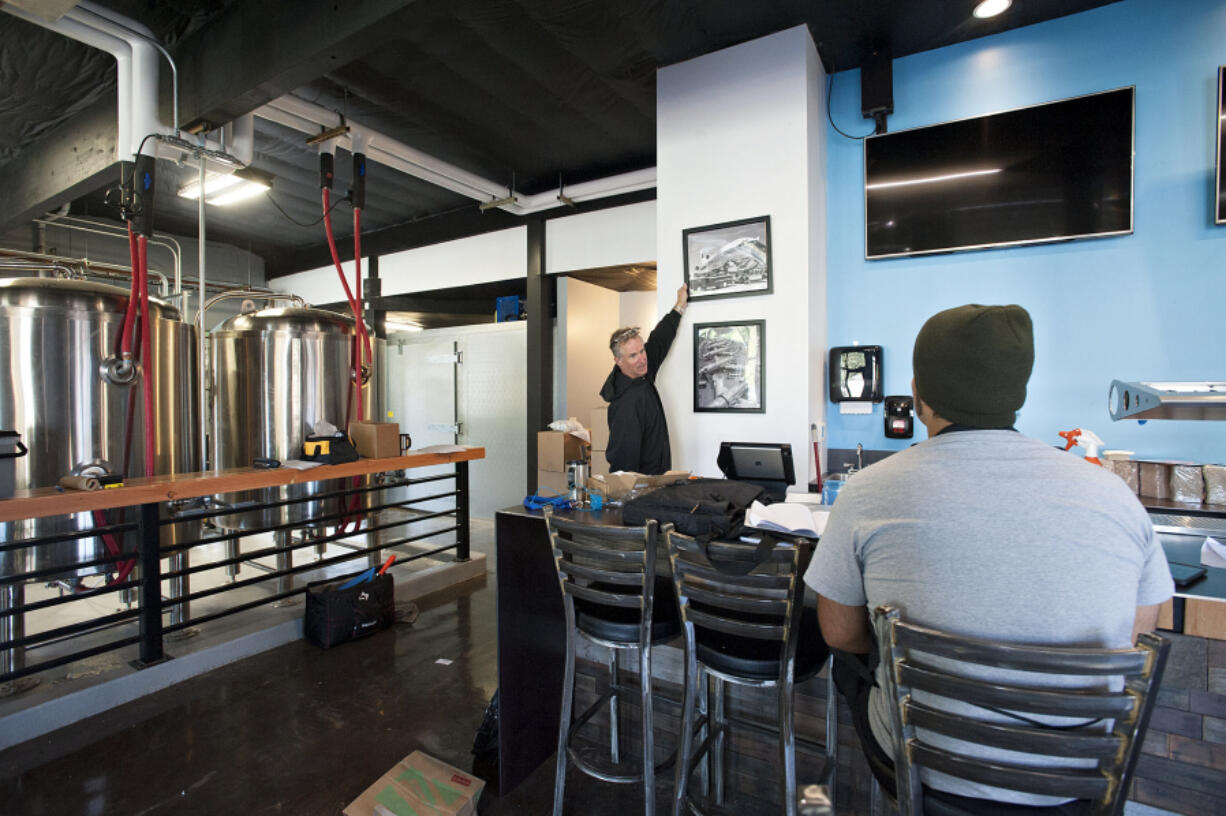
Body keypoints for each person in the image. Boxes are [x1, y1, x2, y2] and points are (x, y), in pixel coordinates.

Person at [804, 303, 1173, 809]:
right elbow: (1134, 635)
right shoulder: (1113, 494)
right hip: (1073, 776)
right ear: (1017, 392)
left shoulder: (869, 492)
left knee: (852, 667)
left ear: (916, 394)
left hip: (924, 768)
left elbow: (839, 632)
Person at [600, 285, 688, 475]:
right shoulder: (626, 404)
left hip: (657, 482)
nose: (642, 358)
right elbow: (622, 465)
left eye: (642, 351)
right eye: (633, 355)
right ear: (618, 361)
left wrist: (679, 306)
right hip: (642, 491)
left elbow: (659, 340)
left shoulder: (642, 374)